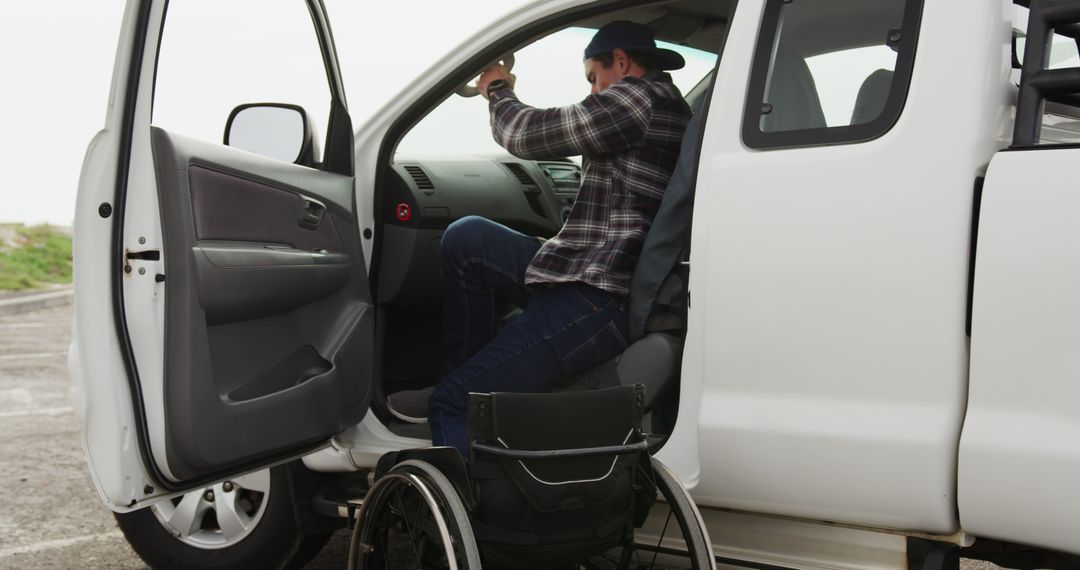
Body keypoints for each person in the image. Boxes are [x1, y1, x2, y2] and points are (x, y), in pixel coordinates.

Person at [388, 21, 692, 455]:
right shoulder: (671, 107)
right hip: (586, 276)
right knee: (468, 240)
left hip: (597, 296)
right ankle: (468, 378)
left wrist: (497, 89)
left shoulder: (639, 99)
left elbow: (527, 133)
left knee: (453, 405)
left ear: (621, 62)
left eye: (594, 77)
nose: (592, 91)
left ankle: (465, 412)